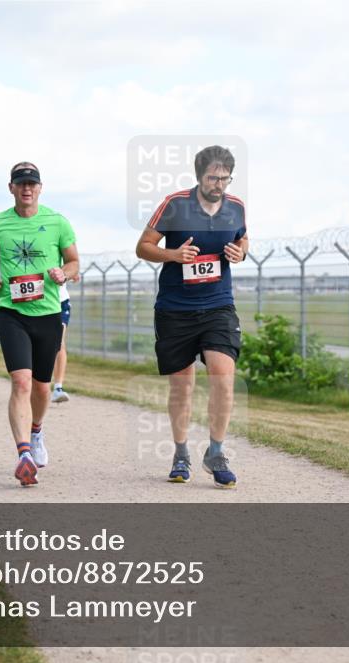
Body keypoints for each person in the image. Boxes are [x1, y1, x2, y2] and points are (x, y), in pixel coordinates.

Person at [134, 145, 247, 488]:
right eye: (213, 177)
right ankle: (181, 453)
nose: (219, 184)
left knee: (223, 377)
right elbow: (143, 246)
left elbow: (244, 240)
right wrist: (174, 255)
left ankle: (215, 452)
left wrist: (239, 252)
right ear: (199, 176)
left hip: (218, 306)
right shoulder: (175, 204)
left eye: (225, 178)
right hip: (175, 309)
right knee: (182, 387)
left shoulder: (236, 207)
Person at [0, 162, 79, 486]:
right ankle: (23, 455)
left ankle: (36, 432)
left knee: (41, 387)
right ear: (11, 188)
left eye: (32, 183)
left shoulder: (58, 221)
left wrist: (65, 273)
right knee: (21, 382)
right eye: (20, 183)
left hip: (47, 311)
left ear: (40, 187)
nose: (26, 188)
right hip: (11, 312)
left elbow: (74, 261)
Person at [50, 277, 78, 402]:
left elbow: (72, 264)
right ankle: (33, 384)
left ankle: (58, 388)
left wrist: (72, 272)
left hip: (60, 301)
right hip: (35, 302)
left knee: (58, 342)